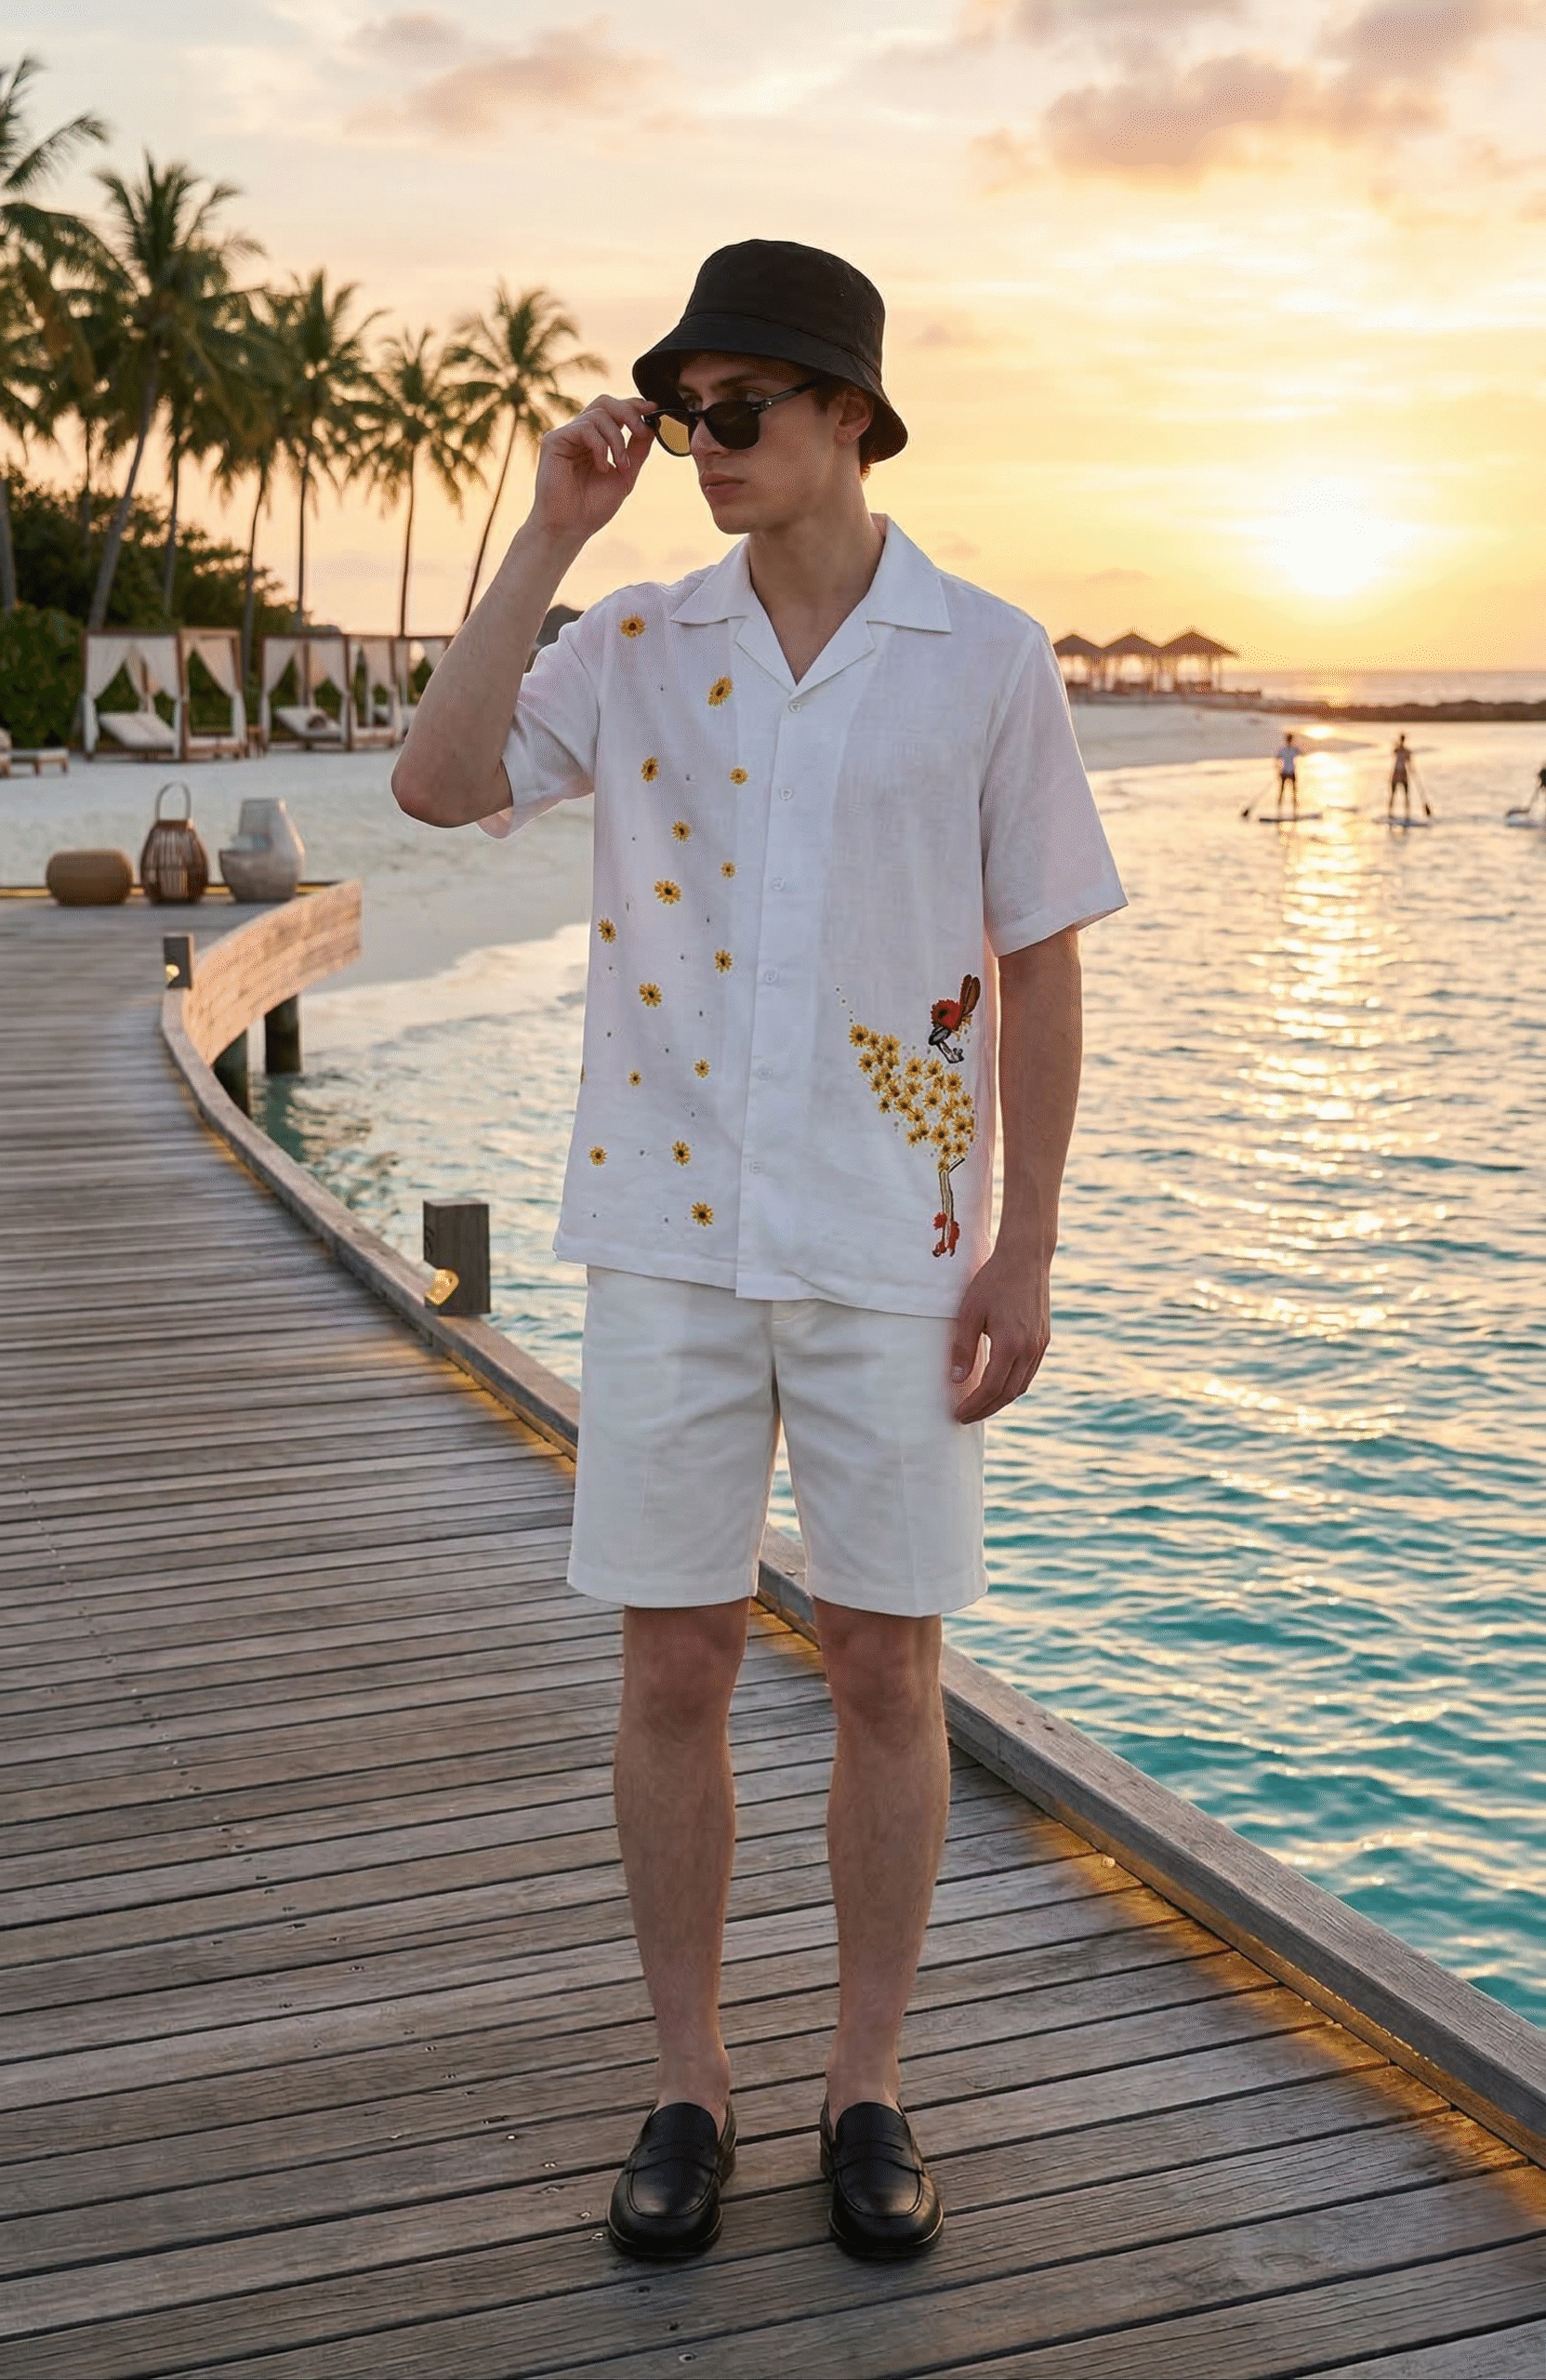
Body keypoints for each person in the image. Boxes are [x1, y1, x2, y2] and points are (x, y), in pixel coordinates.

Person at [393, 239, 1125, 2265]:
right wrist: (545, 534)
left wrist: (1028, 1241)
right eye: (685, 406)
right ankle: (692, 2079)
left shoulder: (986, 657)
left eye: (736, 410)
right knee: (675, 1656)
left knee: (890, 1657)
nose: (699, 441)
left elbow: (1040, 958)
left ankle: (865, 2081)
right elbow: (438, 781)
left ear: (848, 421)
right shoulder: (629, 640)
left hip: (899, 1239)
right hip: (669, 1228)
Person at [1275, 730, 1301, 817]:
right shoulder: (1283, 750)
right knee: (1282, 791)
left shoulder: (1293, 750)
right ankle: (1279, 809)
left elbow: (1302, 753)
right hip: (1285, 772)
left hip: (1291, 772)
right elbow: (1277, 760)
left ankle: (1295, 809)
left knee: (1294, 790)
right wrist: (1278, 771)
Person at [1389, 733, 1412, 820]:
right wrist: (1398, 746)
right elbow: (1394, 751)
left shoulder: (1406, 751)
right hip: (1396, 772)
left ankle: (1407, 814)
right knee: (1393, 794)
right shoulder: (1398, 749)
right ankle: (1390, 813)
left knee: (1406, 794)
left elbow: (1409, 761)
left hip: (1403, 773)